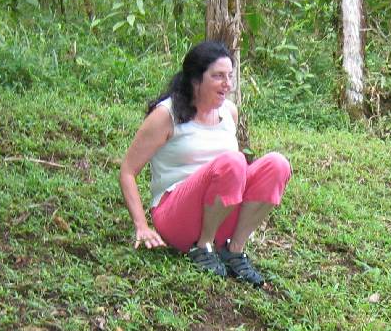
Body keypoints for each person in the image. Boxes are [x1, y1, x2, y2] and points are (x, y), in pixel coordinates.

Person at [119, 40, 291, 286]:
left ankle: (234, 250)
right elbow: (127, 171)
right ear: (196, 79)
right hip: (177, 216)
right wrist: (141, 225)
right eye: (218, 76)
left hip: (221, 213)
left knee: (277, 164)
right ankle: (203, 246)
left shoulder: (229, 112)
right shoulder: (166, 115)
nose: (227, 84)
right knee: (233, 162)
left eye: (230, 76)